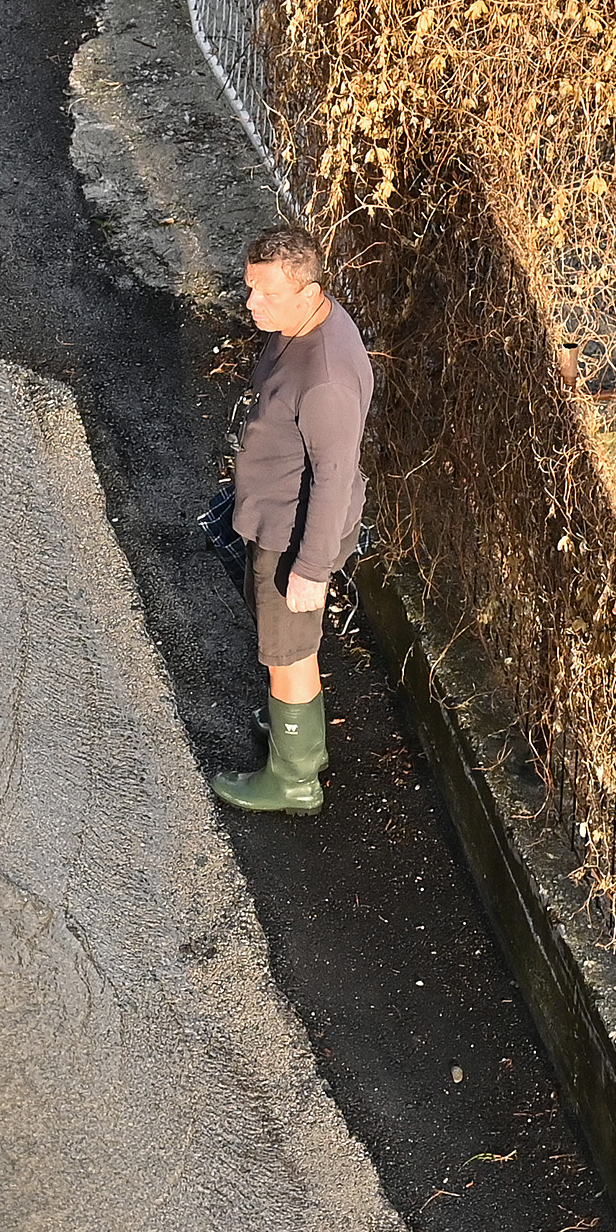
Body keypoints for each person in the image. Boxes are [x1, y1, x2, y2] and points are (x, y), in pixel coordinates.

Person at [213, 224, 371, 815]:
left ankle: (295, 778)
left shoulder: (326, 380)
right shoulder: (303, 323)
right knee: (291, 649)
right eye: (251, 288)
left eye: (267, 294)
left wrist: (310, 570)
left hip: (294, 538)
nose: (252, 304)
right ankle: (294, 723)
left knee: (288, 653)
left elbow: (332, 479)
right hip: (277, 519)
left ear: (308, 291)